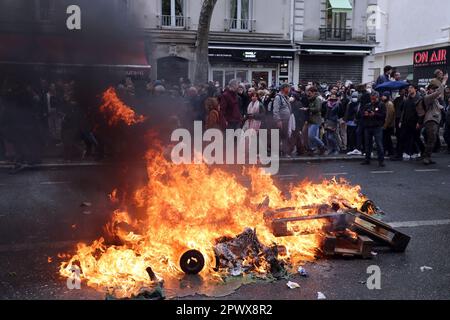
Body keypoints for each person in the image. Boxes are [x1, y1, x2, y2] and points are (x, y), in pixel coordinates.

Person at [417, 73, 448, 165]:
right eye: (432, 89)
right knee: (431, 139)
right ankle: (426, 157)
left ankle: (428, 157)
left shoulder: (435, 100)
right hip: (430, 121)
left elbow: (441, 107)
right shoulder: (427, 98)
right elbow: (439, 92)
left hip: (435, 121)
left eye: (434, 89)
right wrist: (444, 81)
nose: (434, 90)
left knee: (432, 140)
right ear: (429, 90)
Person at [392, 85, 421, 161]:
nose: (409, 89)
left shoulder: (419, 99)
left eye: (411, 88)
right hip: (405, 121)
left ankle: (412, 152)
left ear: (415, 89)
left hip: (414, 122)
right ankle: (401, 154)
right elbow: (403, 110)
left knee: (412, 138)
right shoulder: (407, 99)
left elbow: (420, 112)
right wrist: (401, 121)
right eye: (409, 88)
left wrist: (419, 122)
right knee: (402, 137)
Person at [360, 91, 387, 167]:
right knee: (367, 144)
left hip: (377, 127)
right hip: (368, 126)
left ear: (377, 98)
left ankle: (381, 161)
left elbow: (383, 115)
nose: (372, 100)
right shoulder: (368, 105)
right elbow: (362, 114)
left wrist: (374, 114)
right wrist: (365, 114)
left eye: (374, 99)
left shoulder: (381, 105)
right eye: (371, 99)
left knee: (379, 144)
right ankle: (367, 159)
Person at [273, 83, 292, 157]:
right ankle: (277, 153)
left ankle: (284, 153)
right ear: (284, 88)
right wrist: (278, 120)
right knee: (279, 136)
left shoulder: (285, 97)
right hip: (281, 121)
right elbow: (275, 110)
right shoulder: (278, 97)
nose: (289, 90)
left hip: (286, 120)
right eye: (288, 88)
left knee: (284, 136)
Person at [306, 86, 326, 156]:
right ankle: (312, 149)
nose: (309, 94)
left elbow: (318, 108)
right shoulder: (311, 99)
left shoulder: (317, 99)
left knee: (311, 135)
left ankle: (322, 146)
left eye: (310, 93)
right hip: (311, 120)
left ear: (314, 92)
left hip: (316, 120)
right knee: (312, 136)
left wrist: (308, 109)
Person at [382, 92, 395, 156]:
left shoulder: (389, 104)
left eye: (384, 96)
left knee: (386, 139)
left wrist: (385, 125)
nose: (382, 97)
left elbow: (389, 116)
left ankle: (389, 151)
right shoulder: (386, 103)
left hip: (388, 125)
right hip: (387, 124)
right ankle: (389, 151)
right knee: (387, 139)